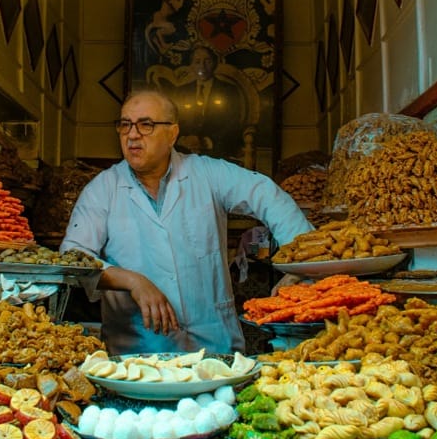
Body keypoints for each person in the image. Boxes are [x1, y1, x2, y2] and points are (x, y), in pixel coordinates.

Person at [61, 88, 313, 355]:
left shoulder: (207, 173)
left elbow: (266, 194)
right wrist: (132, 281)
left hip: (213, 344)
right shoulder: (103, 189)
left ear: (172, 133)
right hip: (139, 351)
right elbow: (73, 257)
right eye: (125, 125)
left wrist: (301, 265)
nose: (132, 134)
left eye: (146, 125)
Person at [170, 45, 245, 160]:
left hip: (216, 148)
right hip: (184, 148)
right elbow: (172, 120)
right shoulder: (181, 91)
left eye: (207, 61)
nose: (202, 67)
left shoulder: (229, 90)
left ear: (215, 64)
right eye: (197, 62)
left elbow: (233, 123)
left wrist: (207, 141)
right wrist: (183, 140)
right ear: (191, 66)